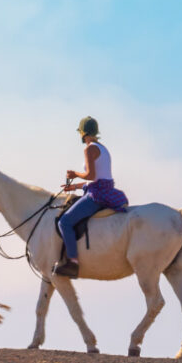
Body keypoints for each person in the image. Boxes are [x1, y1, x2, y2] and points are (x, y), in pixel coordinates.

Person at [55, 116, 129, 277]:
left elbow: (90, 175)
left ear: (82, 133)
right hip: (104, 189)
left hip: (97, 195)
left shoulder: (89, 149)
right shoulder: (103, 148)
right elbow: (98, 179)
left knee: (65, 222)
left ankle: (72, 262)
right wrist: (74, 187)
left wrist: (75, 174)